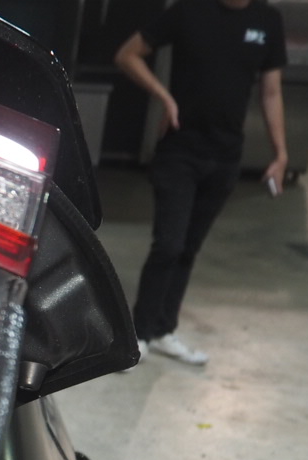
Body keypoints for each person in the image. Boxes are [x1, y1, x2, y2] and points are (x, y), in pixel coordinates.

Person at [115, 0, 288, 366]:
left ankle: (163, 330)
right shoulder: (189, 10)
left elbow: (271, 91)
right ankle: (138, 334)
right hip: (180, 150)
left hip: (226, 157)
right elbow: (127, 54)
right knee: (169, 244)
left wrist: (281, 153)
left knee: (188, 249)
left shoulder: (267, 20)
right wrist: (164, 96)